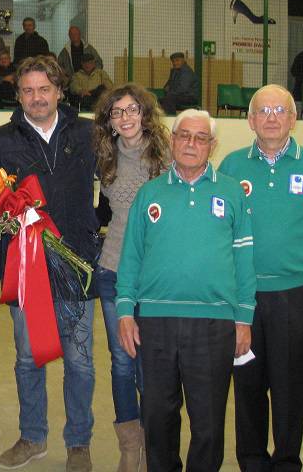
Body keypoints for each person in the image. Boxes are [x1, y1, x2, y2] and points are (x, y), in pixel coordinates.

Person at [117, 108, 256, 472]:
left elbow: (244, 261)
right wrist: (125, 312)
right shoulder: (149, 194)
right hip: (156, 322)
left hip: (213, 325)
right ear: (172, 140)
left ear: (212, 145)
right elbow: (130, 257)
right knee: (159, 416)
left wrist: (243, 318)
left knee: (207, 420)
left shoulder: (232, 193)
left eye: (200, 138)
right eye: (184, 136)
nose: (191, 144)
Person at [218, 84, 303, 472]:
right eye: (263, 110)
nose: (272, 117)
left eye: (280, 110)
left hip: (296, 296)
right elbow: (217, 227)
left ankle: (287, 462)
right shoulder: (231, 166)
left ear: (293, 119)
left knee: (291, 387)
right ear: (250, 119)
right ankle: (252, 462)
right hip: (244, 298)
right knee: (248, 385)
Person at [0, 56, 101, 472]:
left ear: (59, 91)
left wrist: (95, 229)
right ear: (18, 95)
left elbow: (113, 184)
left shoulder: (89, 132)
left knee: (80, 361)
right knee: (28, 358)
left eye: (44, 89)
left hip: (77, 266)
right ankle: (32, 436)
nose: (36, 97)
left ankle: (78, 442)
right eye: (28, 90)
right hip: (27, 268)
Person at [91, 84, 170, 472]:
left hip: (155, 276)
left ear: (145, 113)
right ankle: (129, 448)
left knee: (151, 363)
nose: (125, 118)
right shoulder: (104, 157)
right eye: (117, 112)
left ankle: (157, 442)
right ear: (109, 120)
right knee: (121, 362)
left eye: (132, 110)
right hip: (112, 271)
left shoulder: (165, 156)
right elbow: (104, 212)